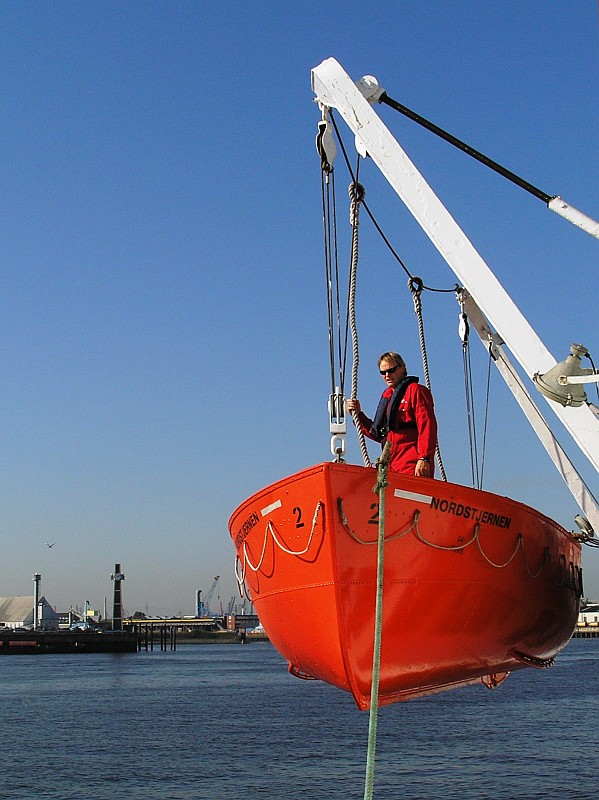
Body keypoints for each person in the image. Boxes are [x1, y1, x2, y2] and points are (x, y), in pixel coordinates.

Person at [346, 352, 438, 477]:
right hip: (391, 467)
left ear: (402, 368)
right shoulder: (387, 396)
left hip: (412, 464)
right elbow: (379, 433)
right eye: (383, 373)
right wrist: (358, 415)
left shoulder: (416, 391)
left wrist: (424, 458)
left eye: (391, 370)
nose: (387, 375)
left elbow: (427, 426)